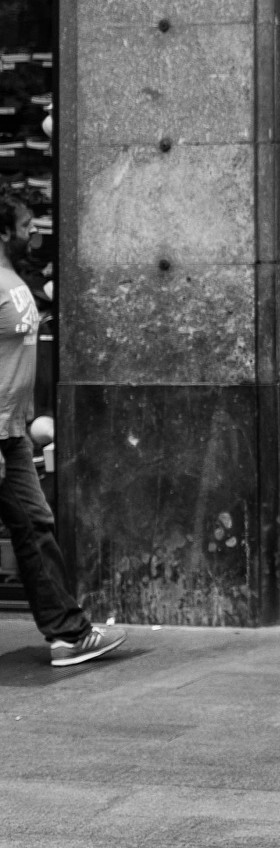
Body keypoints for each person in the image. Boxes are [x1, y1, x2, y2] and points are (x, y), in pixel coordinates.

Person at [0, 194, 124, 667]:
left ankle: (69, 634)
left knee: (35, 526)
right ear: (4, 230)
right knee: (33, 528)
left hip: (11, 434)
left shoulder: (15, 280)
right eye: (27, 225)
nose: (36, 233)